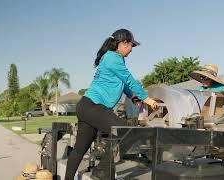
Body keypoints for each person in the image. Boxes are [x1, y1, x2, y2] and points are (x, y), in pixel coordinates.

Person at [64, 29, 158, 180]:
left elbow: (123, 84)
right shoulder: (113, 58)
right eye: (131, 45)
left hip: (85, 106)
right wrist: (147, 99)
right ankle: (101, 171)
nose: (132, 49)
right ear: (122, 43)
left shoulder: (112, 59)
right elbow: (129, 79)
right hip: (94, 106)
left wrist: (134, 97)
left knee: (79, 150)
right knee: (128, 132)